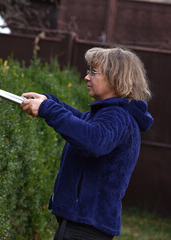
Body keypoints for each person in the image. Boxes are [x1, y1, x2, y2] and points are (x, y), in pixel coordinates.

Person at [20, 47, 153, 240]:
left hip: (85, 228)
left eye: (93, 72)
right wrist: (50, 103)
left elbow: (93, 140)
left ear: (115, 78)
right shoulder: (110, 113)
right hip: (81, 223)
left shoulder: (117, 115)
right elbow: (83, 122)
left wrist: (49, 109)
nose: (86, 77)